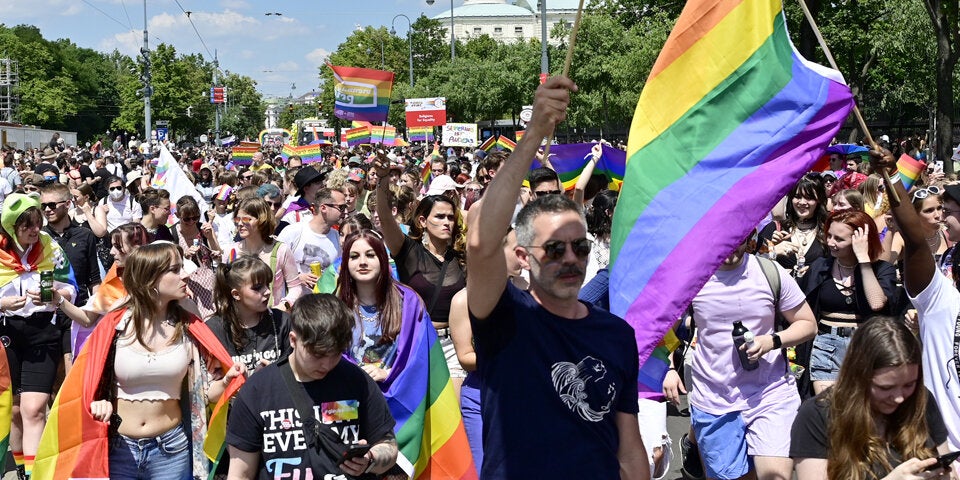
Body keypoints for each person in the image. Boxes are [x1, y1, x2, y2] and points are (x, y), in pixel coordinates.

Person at [465, 76, 650, 479]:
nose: (571, 259)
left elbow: (629, 445)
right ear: (521, 255)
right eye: (554, 249)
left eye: (579, 247)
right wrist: (533, 135)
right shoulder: (503, 316)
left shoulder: (616, 334)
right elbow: (480, 239)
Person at [35, 242, 243, 479]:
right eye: (174, 270)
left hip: (172, 451)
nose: (185, 274)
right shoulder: (115, 326)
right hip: (119, 449)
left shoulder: (190, 326)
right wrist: (97, 403)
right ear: (150, 279)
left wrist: (227, 381)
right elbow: (86, 386)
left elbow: (203, 395)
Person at [663, 231, 817, 480]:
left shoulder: (769, 272)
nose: (731, 248)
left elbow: (808, 323)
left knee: (774, 477)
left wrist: (771, 342)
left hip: (771, 394)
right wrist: (669, 368)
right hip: (714, 399)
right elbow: (664, 329)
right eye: (723, 239)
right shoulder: (691, 277)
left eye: (738, 240)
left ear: (750, 238)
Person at [225, 293, 399, 479]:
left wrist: (370, 459)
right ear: (293, 340)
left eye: (336, 354)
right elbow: (240, 473)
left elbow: (389, 447)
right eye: (317, 354)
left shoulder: (357, 381)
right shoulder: (257, 390)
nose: (327, 364)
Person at [873, 149, 960, 476]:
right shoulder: (942, 299)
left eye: (948, 210)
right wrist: (892, 175)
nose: (942, 216)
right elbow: (914, 239)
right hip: (943, 458)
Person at [790, 317, 951, 479]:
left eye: (909, 385)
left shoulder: (921, 399)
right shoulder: (817, 415)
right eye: (885, 388)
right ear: (858, 376)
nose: (899, 398)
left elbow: (947, 463)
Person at [0, 193, 77, 480]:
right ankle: (21, 468)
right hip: (6, 334)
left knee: (34, 410)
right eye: (27, 226)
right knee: (15, 412)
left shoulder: (49, 245)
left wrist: (58, 294)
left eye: (37, 224)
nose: (35, 230)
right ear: (10, 227)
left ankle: (36, 475)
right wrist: (3, 304)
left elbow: (72, 285)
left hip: (43, 332)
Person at [373, 162, 469, 393]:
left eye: (450, 217)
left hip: (453, 348)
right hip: (415, 343)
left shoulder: (463, 258)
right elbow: (385, 216)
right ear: (423, 221)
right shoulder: (408, 251)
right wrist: (383, 179)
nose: (447, 222)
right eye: (439, 217)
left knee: (454, 421)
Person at [799, 210, 897, 395]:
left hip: (865, 345)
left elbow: (876, 303)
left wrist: (863, 260)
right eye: (829, 235)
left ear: (860, 240)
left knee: (862, 409)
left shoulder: (882, 270)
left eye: (839, 239)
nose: (830, 243)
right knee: (829, 409)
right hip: (827, 345)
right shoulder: (821, 267)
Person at [56, 223, 149, 355]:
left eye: (118, 247)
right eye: (112, 246)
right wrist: (58, 299)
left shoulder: (158, 278)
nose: (111, 252)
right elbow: (87, 319)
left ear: (137, 248)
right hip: (119, 354)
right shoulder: (114, 279)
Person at [40, 183, 101, 368]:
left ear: (67, 204)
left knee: (72, 371)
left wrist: (96, 312)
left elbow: (94, 279)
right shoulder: (39, 238)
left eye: (52, 205)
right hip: (45, 316)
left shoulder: (85, 235)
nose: (47, 210)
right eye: (43, 206)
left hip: (76, 314)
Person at [207, 255, 292, 375]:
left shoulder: (282, 321)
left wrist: (278, 374)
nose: (267, 291)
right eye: (257, 288)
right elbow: (210, 384)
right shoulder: (214, 329)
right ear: (236, 294)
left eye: (267, 284)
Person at [226, 197, 303, 311]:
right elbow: (225, 289)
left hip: (273, 319)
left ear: (261, 220)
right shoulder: (231, 251)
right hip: (240, 321)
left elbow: (295, 288)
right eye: (238, 219)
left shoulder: (280, 250)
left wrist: (282, 308)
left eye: (246, 219)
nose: (240, 224)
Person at [276, 188, 344, 291]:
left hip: (323, 303)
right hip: (293, 302)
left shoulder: (337, 237)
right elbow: (273, 265)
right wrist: (297, 278)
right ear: (324, 208)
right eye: (341, 207)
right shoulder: (292, 232)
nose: (345, 211)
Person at [759, 176, 830, 275]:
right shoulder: (775, 228)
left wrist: (814, 271)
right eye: (797, 197)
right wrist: (772, 250)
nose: (802, 202)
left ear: (819, 200)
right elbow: (751, 262)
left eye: (809, 198)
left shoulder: (828, 231)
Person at [171, 196, 221, 319]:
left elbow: (218, 257)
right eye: (187, 219)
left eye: (195, 217)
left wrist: (210, 238)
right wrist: (184, 256)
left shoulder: (204, 228)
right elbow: (171, 264)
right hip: (188, 286)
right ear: (177, 215)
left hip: (209, 285)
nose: (192, 222)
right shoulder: (173, 233)